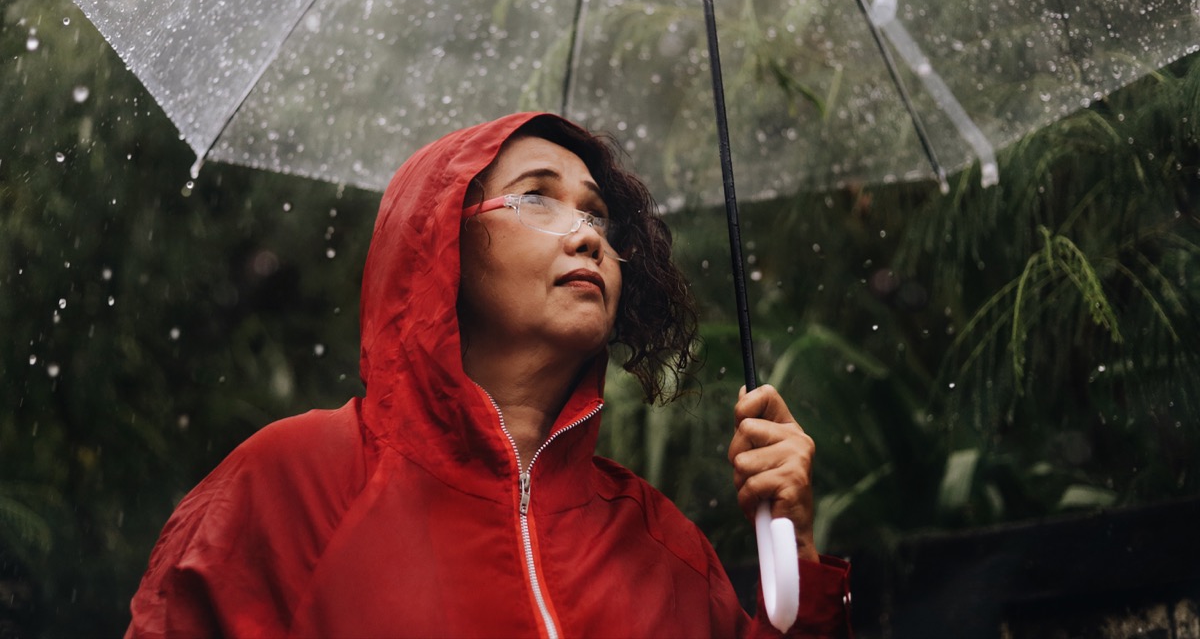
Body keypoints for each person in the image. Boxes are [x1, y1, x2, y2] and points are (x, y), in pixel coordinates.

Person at [125, 112, 851, 638]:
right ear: (440, 237)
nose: (585, 235)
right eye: (537, 197)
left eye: (599, 217)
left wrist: (798, 567)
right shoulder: (289, 485)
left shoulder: (660, 545)